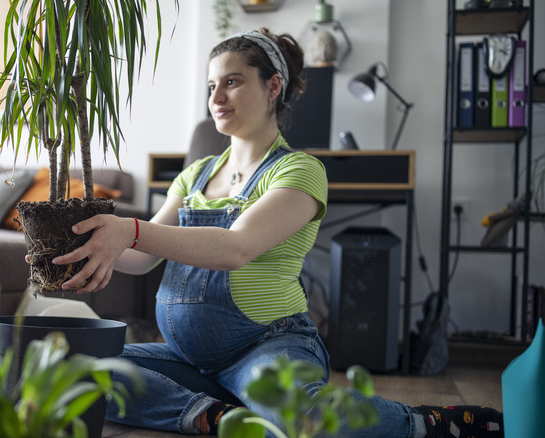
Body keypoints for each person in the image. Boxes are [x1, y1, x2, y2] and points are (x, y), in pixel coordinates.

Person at [51, 28, 504, 438]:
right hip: (190, 359)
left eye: (232, 81)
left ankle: (425, 425)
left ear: (273, 86)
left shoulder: (300, 171)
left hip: (267, 348)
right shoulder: (194, 176)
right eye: (212, 86)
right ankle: (214, 415)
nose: (216, 97)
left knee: (300, 418)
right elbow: (142, 255)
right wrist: (87, 246)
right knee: (76, 367)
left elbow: (236, 248)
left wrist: (128, 229)